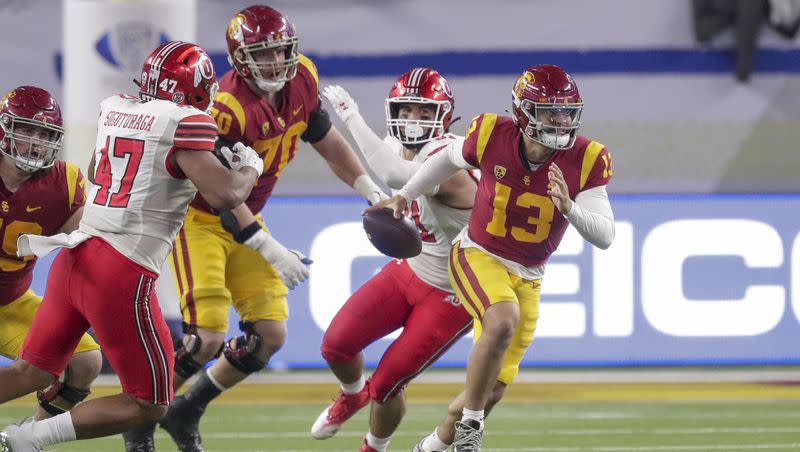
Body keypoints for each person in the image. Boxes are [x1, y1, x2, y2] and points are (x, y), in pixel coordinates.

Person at [124, 5, 387, 452]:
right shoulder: (224, 106)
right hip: (202, 219)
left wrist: (369, 187)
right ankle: (140, 420)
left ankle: (189, 408)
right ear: (239, 58)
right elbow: (225, 196)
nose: (274, 63)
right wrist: (269, 248)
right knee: (205, 337)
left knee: (270, 335)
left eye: (280, 52)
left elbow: (326, 139)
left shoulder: (302, 77)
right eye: (262, 55)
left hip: (246, 216)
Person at [0, 40, 263, 452]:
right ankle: (28, 437)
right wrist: (250, 167)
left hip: (76, 257)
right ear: (196, 90)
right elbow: (227, 195)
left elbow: (98, 172)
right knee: (150, 403)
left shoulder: (118, 108)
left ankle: (26, 438)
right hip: (121, 268)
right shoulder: (186, 121)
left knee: (38, 368)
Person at [370, 64, 616, 452]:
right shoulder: (491, 134)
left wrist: (570, 208)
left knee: (492, 389)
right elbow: (445, 159)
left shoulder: (587, 158)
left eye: (567, 111)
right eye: (550, 110)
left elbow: (604, 235)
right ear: (523, 112)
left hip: (530, 274)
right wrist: (407, 194)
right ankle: (471, 427)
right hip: (479, 253)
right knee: (502, 320)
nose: (561, 120)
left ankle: (430, 446)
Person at [309, 68, 478, 452]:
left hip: (453, 290)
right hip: (411, 271)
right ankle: (352, 394)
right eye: (407, 110)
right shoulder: (394, 143)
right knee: (336, 345)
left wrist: (350, 116)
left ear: (445, 115)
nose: (413, 121)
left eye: (423, 113)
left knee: (386, 385)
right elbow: (396, 182)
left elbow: (396, 174)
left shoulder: (449, 158)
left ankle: (374, 447)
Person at [0, 85, 103, 422]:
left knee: (85, 362)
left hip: (10, 302)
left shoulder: (64, 184)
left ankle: (29, 438)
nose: (34, 141)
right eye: (26, 129)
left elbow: (88, 241)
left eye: (43, 133)